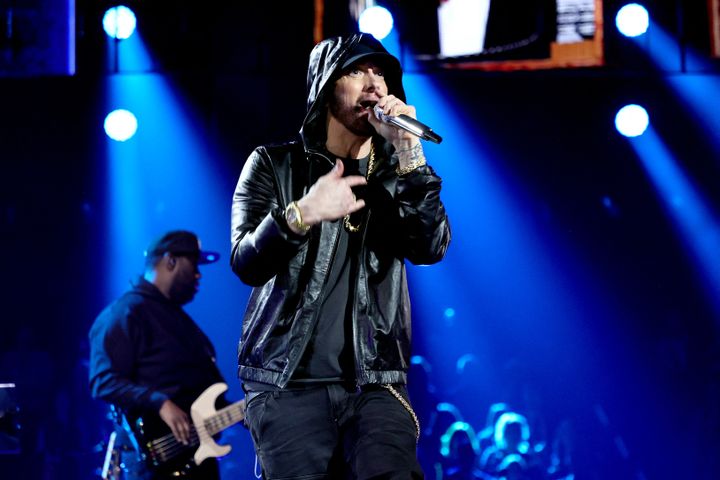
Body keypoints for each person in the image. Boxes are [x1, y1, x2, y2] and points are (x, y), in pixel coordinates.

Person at [230, 33, 451, 479]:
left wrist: (409, 152)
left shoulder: (398, 174)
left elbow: (431, 246)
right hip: (288, 385)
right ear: (326, 85)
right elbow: (246, 261)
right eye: (357, 71)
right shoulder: (274, 164)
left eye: (381, 74)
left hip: (375, 384)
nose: (374, 84)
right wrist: (300, 214)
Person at [88, 230, 226, 479]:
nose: (198, 275)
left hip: (198, 460)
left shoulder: (181, 321)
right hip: (154, 463)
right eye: (194, 265)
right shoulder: (126, 313)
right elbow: (102, 381)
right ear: (170, 261)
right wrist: (159, 402)